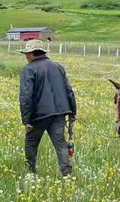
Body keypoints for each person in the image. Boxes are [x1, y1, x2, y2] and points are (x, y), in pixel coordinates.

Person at [19, 39, 77, 176]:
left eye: (26, 53)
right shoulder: (58, 66)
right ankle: (67, 174)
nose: (25, 56)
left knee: (31, 143)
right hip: (59, 113)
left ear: (32, 53)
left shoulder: (28, 69)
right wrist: (73, 112)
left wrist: (26, 119)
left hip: (38, 115)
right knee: (61, 145)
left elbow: (26, 96)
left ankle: (30, 172)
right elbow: (69, 90)